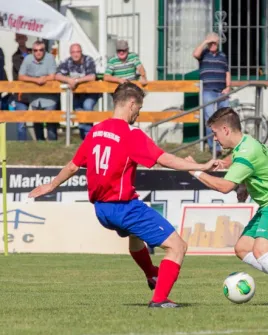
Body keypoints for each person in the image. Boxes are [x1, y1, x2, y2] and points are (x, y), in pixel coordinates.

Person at [28, 82, 222, 308]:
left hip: (102, 210)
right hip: (124, 207)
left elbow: (72, 166)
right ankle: (159, 299)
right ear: (131, 104)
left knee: (135, 236)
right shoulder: (130, 134)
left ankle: (151, 273)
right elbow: (164, 159)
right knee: (177, 247)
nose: (137, 115)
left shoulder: (96, 131)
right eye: (138, 110)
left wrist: (51, 185)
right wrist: (200, 165)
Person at [185, 107, 268, 308]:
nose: (215, 139)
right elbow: (257, 169)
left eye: (215, 133)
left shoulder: (246, 152)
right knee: (243, 248)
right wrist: (245, 186)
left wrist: (195, 171)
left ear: (226, 130)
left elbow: (225, 187)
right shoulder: (246, 145)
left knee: (262, 250)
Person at [193, 32, 231, 156]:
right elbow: (195, 54)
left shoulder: (222, 56)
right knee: (211, 119)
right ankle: (214, 147)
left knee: (224, 118)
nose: (213, 45)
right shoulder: (204, 54)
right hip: (208, 90)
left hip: (221, 91)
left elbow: (227, 72)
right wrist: (205, 41)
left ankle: (225, 144)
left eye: (215, 43)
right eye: (211, 43)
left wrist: (228, 87)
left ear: (218, 43)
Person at [55, 43, 99, 139]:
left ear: (81, 52)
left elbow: (92, 76)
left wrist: (76, 81)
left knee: (87, 107)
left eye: (78, 52)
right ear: (70, 53)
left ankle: (88, 137)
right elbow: (57, 75)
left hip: (90, 93)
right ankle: (84, 138)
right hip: (77, 94)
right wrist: (68, 80)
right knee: (79, 113)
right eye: (73, 52)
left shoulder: (88, 60)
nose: (76, 54)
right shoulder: (68, 62)